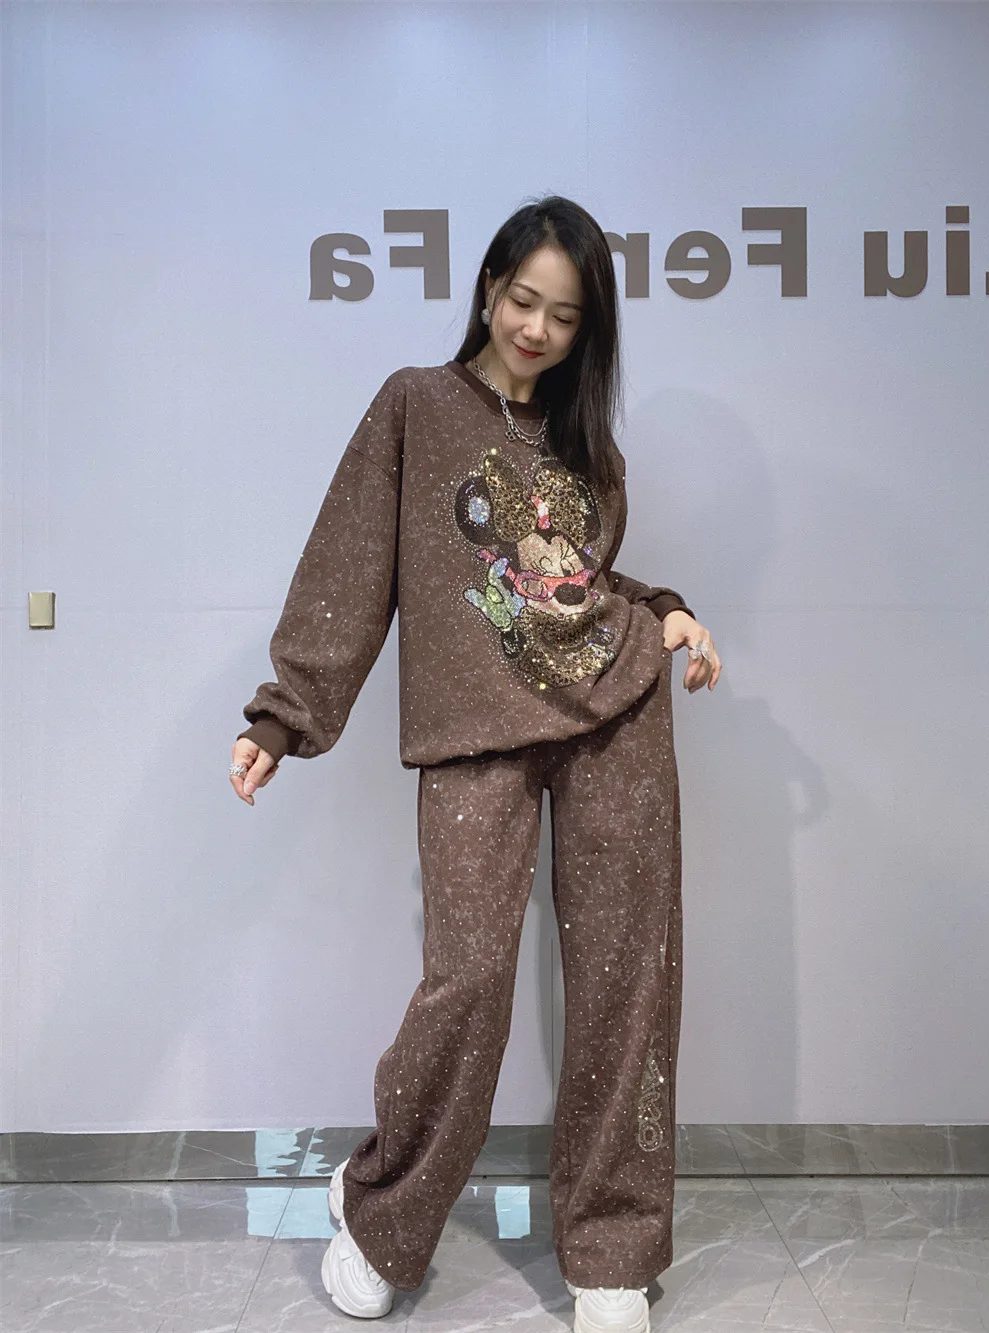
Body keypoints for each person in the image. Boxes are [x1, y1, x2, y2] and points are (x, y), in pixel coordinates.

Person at [230, 195, 721, 1333]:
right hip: (471, 735)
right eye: (522, 301)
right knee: (469, 980)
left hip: (613, 717)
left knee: (626, 977)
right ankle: (384, 1214)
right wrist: (283, 716)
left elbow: (576, 586)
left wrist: (664, 606)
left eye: (564, 315)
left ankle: (612, 1246)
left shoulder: (588, 446)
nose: (536, 329)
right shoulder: (417, 404)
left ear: (589, 327)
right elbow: (350, 566)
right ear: (489, 288)